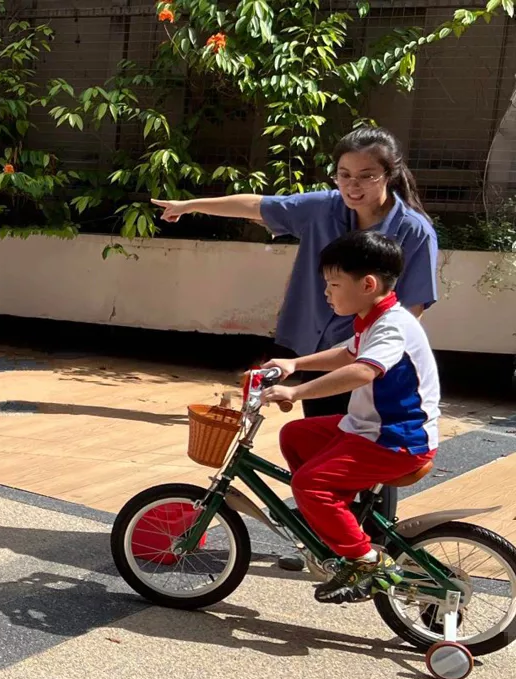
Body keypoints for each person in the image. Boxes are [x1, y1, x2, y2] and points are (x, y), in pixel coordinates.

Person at [151, 126, 439, 561]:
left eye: (366, 176)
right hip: (315, 345)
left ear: (389, 175)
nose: (352, 186)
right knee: (313, 443)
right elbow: (258, 205)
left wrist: (377, 354)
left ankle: (367, 556)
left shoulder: (414, 232)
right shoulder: (324, 208)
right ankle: (324, 538)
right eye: (344, 175)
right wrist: (190, 206)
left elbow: (408, 312)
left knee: (365, 455)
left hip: (374, 368)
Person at [260, 231, 440, 604]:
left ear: (368, 284)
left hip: (396, 439)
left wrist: (296, 392)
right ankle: (334, 520)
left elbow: (362, 370)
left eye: (334, 284)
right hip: (367, 428)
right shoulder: (374, 318)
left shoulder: (392, 325)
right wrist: (294, 364)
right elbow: (347, 354)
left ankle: (367, 562)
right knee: (296, 436)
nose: (327, 292)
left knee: (309, 485)